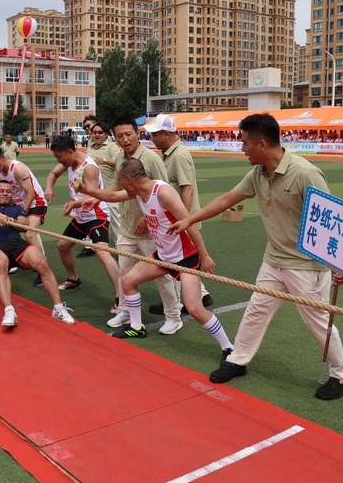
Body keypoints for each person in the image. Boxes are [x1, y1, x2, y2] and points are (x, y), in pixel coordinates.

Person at [167, 112, 343, 400]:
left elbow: (330, 220)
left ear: (263, 144)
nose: (241, 149)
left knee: (317, 321)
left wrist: (338, 264)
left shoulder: (305, 173)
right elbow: (227, 199)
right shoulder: (258, 173)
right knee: (256, 311)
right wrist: (189, 220)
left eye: (244, 143)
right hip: (274, 259)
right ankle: (238, 360)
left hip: (307, 265)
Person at [80, 160, 232, 361]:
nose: (118, 184)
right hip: (162, 256)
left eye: (119, 180)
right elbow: (113, 196)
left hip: (185, 258)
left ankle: (229, 348)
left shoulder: (163, 192)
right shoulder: (138, 192)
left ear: (128, 179)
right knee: (128, 281)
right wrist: (88, 192)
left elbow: (190, 224)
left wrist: (204, 255)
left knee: (195, 308)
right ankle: (136, 327)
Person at [90, 116, 183, 328]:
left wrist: (145, 217)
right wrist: (93, 198)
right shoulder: (121, 158)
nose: (124, 139)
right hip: (127, 226)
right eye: (119, 136)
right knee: (124, 271)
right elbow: (115, 186)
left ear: (137, 134)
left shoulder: (151, 158)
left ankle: (173, 316)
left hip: (151, 230)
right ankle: (124, 310)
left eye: (128, 134)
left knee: (162, 275)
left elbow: (164, 190)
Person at [0, 181, 76, 327]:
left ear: (12, 194)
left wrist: (10, 221)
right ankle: (9, 311)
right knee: (1, 263)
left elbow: (24, 225)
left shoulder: (18, 209)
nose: (5, 194)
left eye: (8, 191)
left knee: (42, 263)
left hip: (17, 244)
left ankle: (58, 309)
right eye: (1, 191)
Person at [144, 114, 214, 314]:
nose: (153, 139)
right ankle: (199, 296)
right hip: (177, 220)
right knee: (179, 262)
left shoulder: (179, 155)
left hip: (181, 221)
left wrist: (184, 221)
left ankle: (178, 303)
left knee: (179, 262)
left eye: (155, 135)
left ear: (167, 134)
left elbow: (188, 189)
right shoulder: (169, 154)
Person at [45, 135, 120, 300]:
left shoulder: (88, 168)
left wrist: (73, 204)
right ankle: (73, 279)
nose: (59, 161)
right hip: (81, 217)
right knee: (62, 246)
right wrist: (49, 188)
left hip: (96, 215)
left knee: (102, 252)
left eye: (60, 157)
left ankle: (120, 296)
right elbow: (52, 175)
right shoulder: (69, 161)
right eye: (56, 157)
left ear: (70, 152)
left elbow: (92, 197)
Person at [0, 144, 48, 287]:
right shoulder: (1, 171)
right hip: (19, 206)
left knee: (29, 234)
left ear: (2, 157)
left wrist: (22, 215)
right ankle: (15, 259)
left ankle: (42, 267)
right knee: (17, 232)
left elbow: (30, 193)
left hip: (36, 204)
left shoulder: (18, 169)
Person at [84, 120, 121, 253]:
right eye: (94, 132)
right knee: (90, 216)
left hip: (109, 189)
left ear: (106, 134)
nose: (97, 134)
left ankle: (119, 248)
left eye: (100, 132)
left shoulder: (111, 146)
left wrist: (104, 161)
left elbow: (119, 161)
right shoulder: (90, 146)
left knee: (115, 219)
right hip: (93, 190)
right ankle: (91, 245)